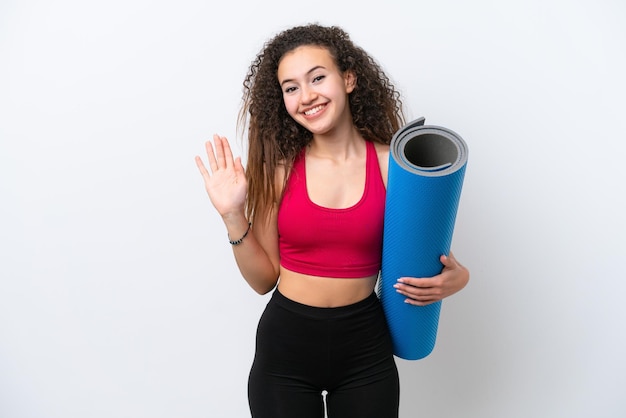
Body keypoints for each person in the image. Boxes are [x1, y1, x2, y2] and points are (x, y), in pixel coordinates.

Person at [195, 23, 469, 418]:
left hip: (365, 350)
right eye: (291, 88)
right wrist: (233, 215)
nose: (306, 96)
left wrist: (458, 279)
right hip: (285, 349)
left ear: (349, 79)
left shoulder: (394, 168)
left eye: (317, 78)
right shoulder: (280, 171)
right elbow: (262, 280)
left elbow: (425, 257)